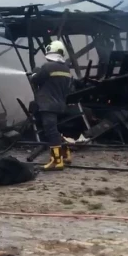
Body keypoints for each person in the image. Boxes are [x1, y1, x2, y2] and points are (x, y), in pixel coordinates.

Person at [29, 40, 73, 171]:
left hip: (47, 104)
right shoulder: (66, 69)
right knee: (54, 130)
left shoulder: (47, 67)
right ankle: (65, 153)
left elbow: (35, 80)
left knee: (51, 131)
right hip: (59, 104)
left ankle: (56, 161)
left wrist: (35, 72)